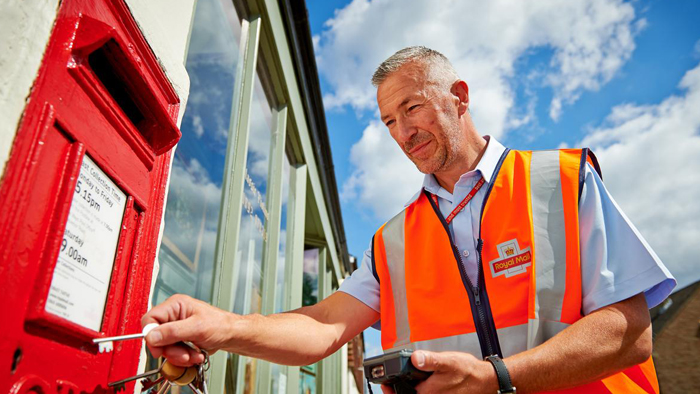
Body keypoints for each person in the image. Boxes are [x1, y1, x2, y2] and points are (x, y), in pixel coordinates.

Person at [142, 46, 675, 393]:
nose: (402, 133)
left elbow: (630, 335)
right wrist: (225, 326)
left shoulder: (562, 180)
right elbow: (322, 326)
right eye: (389, 121)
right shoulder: (390, 241)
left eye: (412, 108)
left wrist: (496, 378)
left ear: (459, 97)